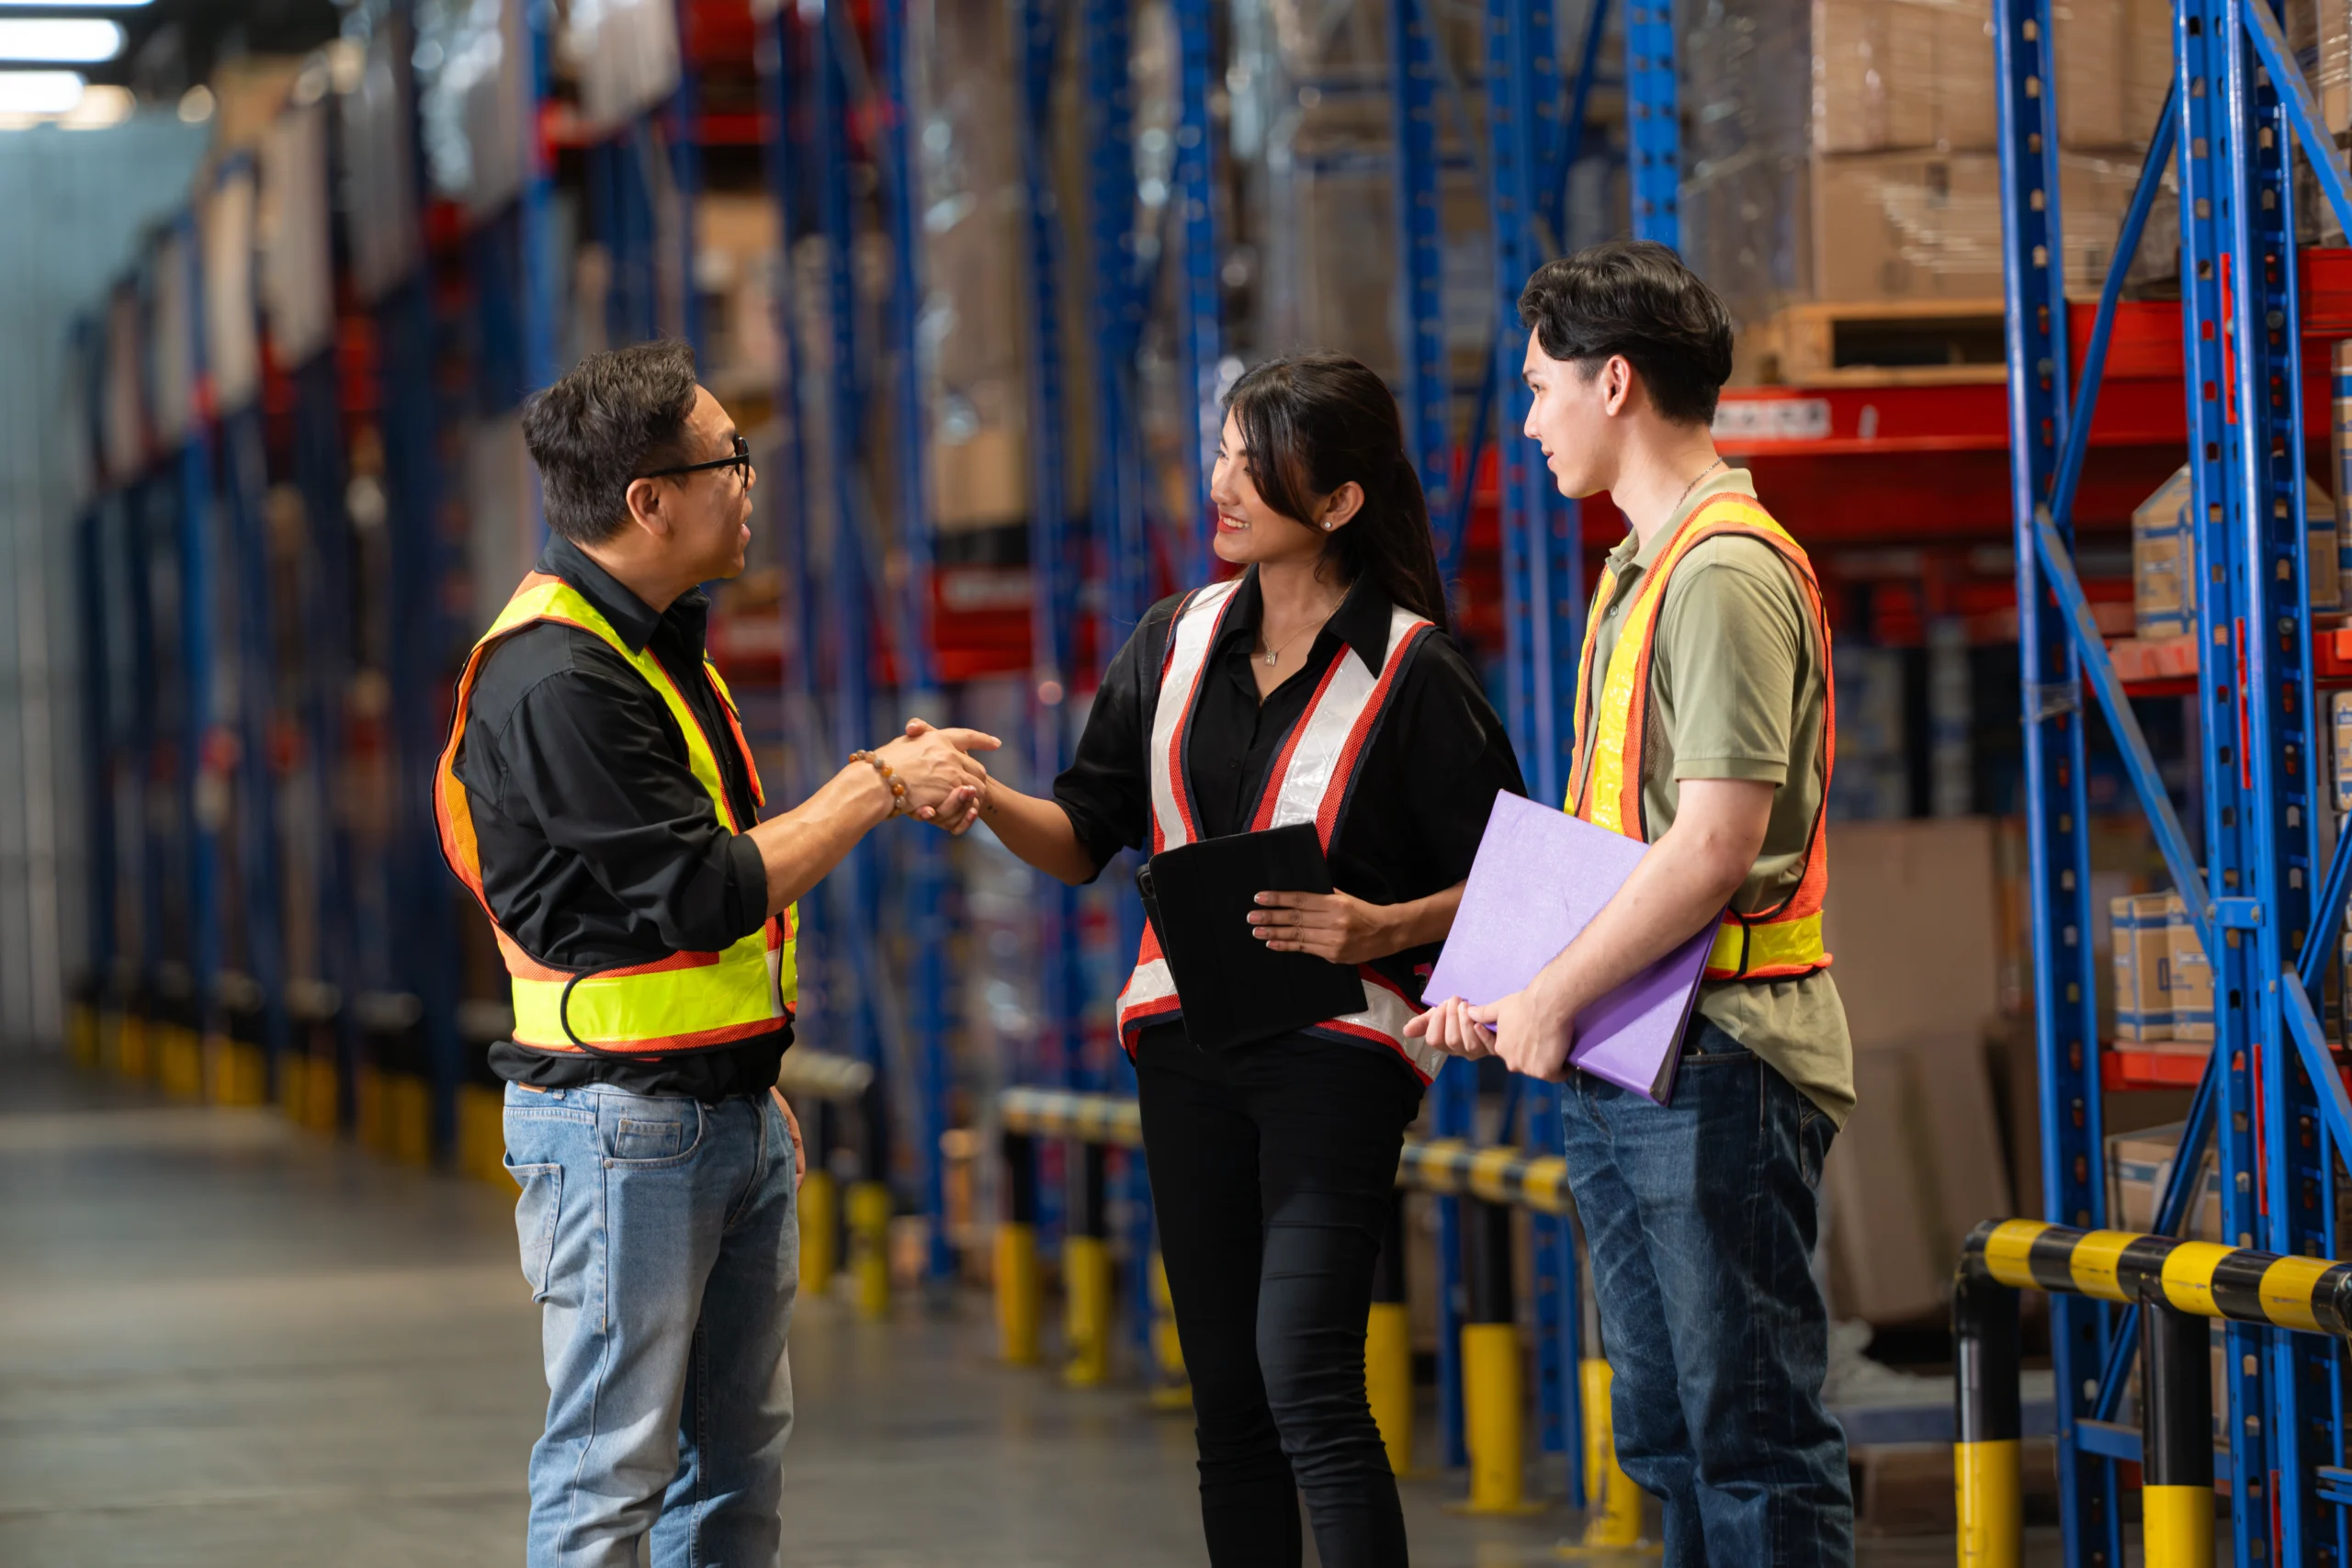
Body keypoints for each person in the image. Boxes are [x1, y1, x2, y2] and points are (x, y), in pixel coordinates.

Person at [433, 340, 995, 1568]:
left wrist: (751, 1077)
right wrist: (875, 785)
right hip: (620, 1129)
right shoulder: (559, 675)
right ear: (651, 501)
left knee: (732, 1475)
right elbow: (700, 891)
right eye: (731, 461)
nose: (751, 482)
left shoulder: (648, 639)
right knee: (611, 1472)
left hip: (714, 1110)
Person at [959, 353, 1522, 1568]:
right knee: (1230, 1400)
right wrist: (980, 797)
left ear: (1338, 502)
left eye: (1254, 460)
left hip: (1339, 1055)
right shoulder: (1171, 641)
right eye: (1220, 449)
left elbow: (1520, 888)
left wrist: (1384, 926)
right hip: (1186, 1052)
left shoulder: (1416, 671)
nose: (1220, 481)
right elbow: (1081, 834)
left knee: (1305, 1368)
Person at [1412, 240, 1854, 1564]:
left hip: (1721, 1051)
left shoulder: (1720, 573)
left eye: (1543, 386)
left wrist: (1549, 993)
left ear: (1615, 384)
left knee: (1750, 1441)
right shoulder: (1639, 570)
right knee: (1666, 1433)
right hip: (1636, 1045)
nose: (1530, 420)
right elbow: (1626, 837)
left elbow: (1714, 845)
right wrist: (1508, 986)